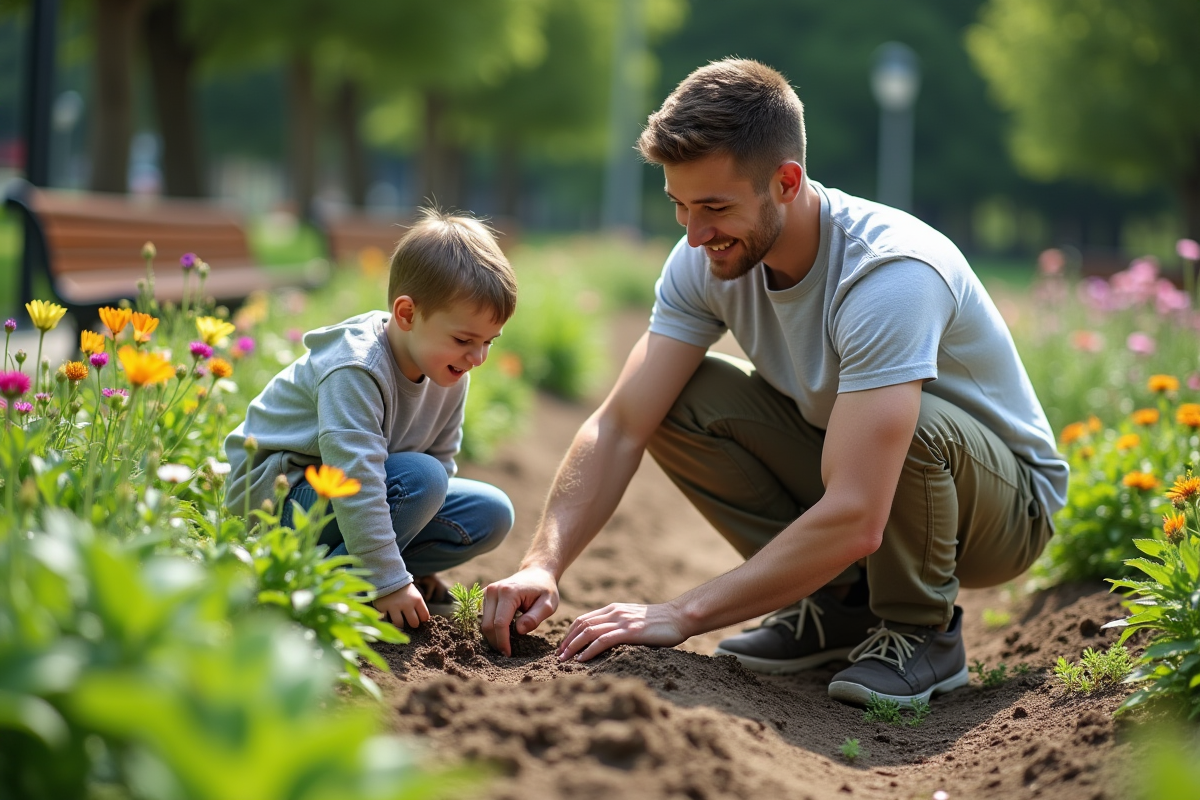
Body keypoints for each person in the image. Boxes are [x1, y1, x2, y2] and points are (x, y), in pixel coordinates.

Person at [481, 59, 1067, 708]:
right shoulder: (703, 258)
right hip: (859, 465)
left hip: (1001, 512)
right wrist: (544, 561)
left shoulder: (888, 275)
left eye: (714, 207)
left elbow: (855, 513)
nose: (695, 234)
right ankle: (841, 606)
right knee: (675, 396)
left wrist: (683, 613)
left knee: (914, 426)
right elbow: (621, 424)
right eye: (679, 206)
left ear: (786, 182)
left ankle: (920, 631)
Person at [226, 208, 517, 629]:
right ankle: (318, 589)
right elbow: (356, 476)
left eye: (489, 341)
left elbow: (442, 460)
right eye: (463, 339)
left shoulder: (451, 370)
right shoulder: (356, 367)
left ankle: (353, 576)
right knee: (424, 477)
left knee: (492, 512)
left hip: (358, 496)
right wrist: (389, 580)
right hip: (280, 500)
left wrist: (415, 565)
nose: (478, 357)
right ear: (406, 314)